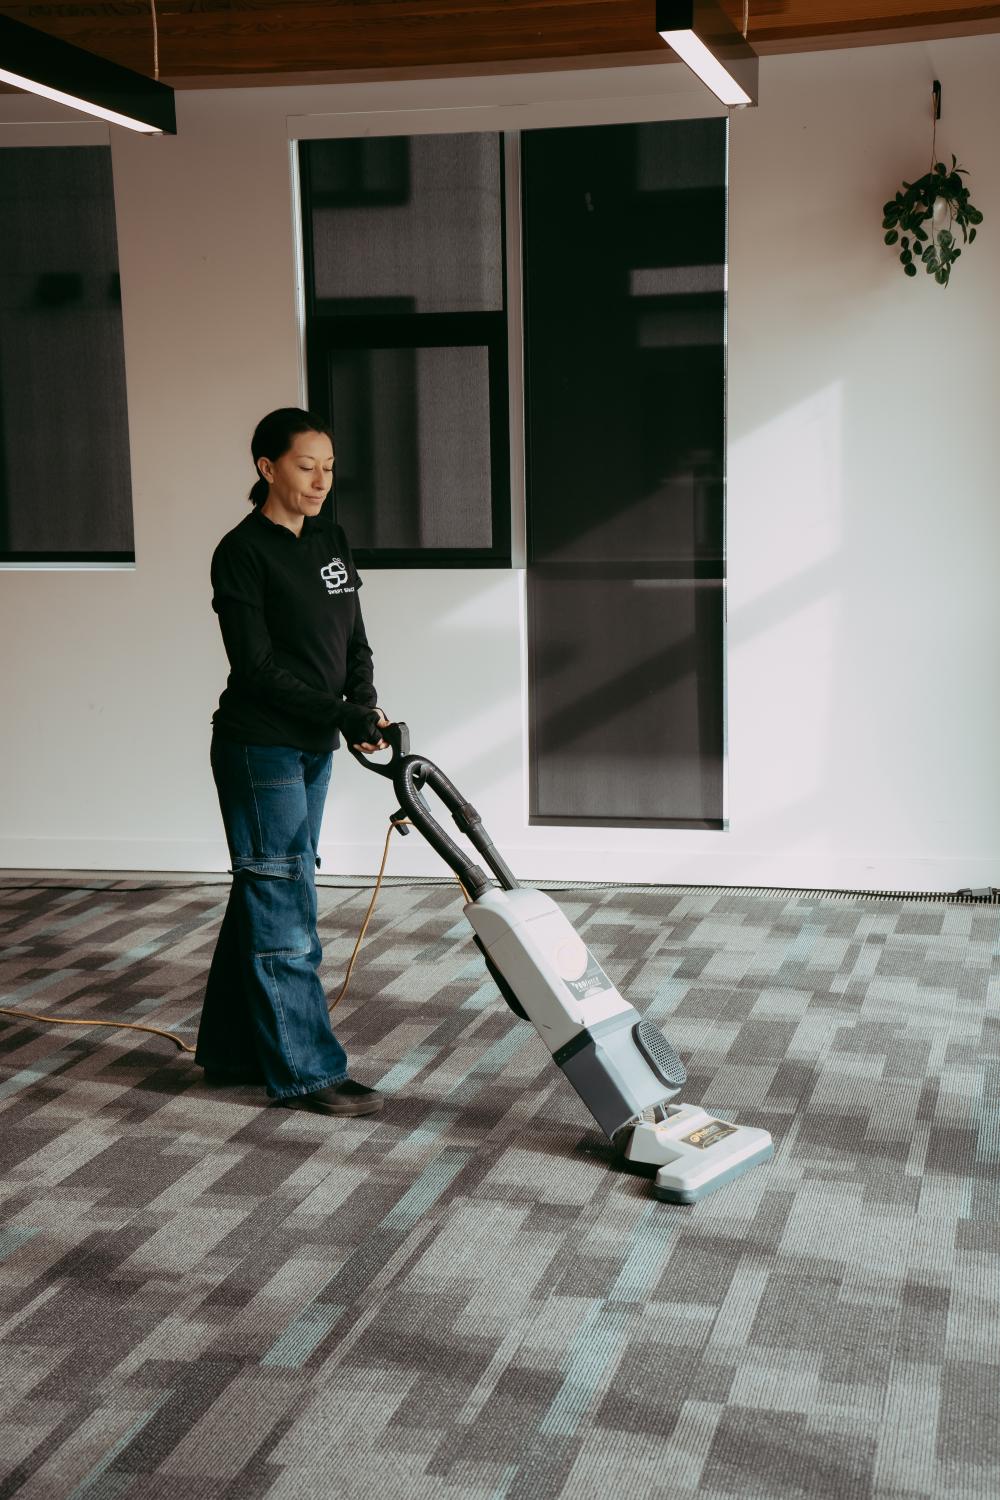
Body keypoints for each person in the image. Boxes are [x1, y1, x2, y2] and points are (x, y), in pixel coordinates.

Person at [195, 407, 390, 1117]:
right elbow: (255, 668)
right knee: (284, 900)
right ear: (267, 467)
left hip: (314, 744)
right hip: (260, 745)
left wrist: (362, 705)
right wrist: (341, 714)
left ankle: (230, 1050)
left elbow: (354, 639)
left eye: (329, 466)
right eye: (307, 464)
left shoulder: (331, 541)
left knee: (267, 888)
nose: (321, 479)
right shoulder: (242, 552)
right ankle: (308, 1072)